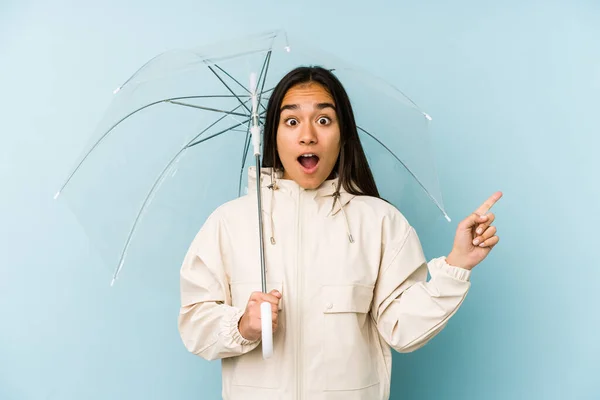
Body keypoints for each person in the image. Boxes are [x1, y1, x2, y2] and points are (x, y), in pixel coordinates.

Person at [177, 66, 502, 400]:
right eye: (291, 121)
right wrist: (243, 325)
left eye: (323, 120)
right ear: (271, 135)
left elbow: (404, 330)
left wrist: (457, 265)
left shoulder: (380, 222)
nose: (307, 136)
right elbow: (195, 324)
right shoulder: (228, 224)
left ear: (343, 133)